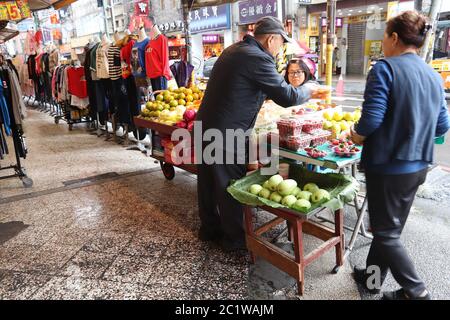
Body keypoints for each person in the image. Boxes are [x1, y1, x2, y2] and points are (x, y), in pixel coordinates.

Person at [196, 16, 325, 252]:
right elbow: (287, 96)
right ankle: (234, 240)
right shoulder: (257, 57)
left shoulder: (235, 49)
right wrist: (310, 89)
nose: (280, 49)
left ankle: (208, 229)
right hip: (227, 132)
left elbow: (243, 88)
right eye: (281, 43)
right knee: (228, 184)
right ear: (271, 39)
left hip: (204, 125)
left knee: (207, 182)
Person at [351, 11, 450, 300]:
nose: (383, 41)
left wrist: (355, 135)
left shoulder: (385, 69)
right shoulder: (432, 74)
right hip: (417, 166)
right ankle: (371, 281)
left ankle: (417, 292)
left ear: (394, 38)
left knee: (386, 233)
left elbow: (370, 121)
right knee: (389, 228)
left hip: (388, 167)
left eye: (384, 35)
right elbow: (442, 124)